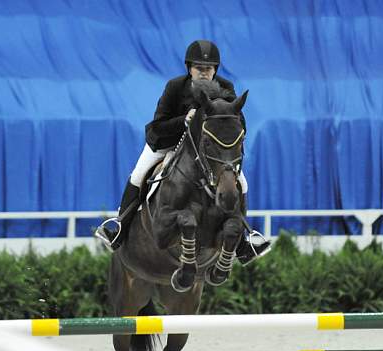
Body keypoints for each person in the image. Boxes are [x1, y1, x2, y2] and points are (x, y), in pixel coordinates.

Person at [96, 39, 270, 265]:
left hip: (209, 150)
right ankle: (120, 226)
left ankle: (244, 241)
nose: (204, 73)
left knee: (241, 183)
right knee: (139, 174)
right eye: (199, 68)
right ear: (189, 68)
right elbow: (158, 125)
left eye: (208, 69)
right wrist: (183, 121)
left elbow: (238, 122)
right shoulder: (175, 87)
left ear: (215, 69)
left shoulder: (225, 87)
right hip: (168, 141)